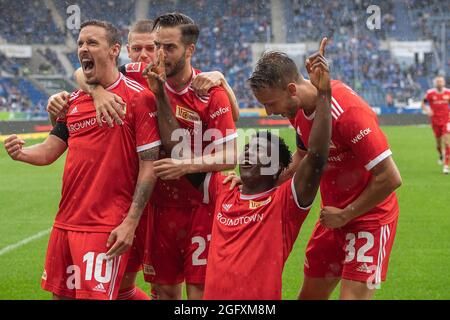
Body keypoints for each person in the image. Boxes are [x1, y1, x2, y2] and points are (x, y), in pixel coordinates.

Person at [46, 17, 239, 300]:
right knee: (160, 290)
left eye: (167, 47)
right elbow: (84, 71)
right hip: (157, 206)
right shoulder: (139, 74)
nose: (158, 54)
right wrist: (97, 92)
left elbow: (231, 153)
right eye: (156, 45)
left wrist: (186, 164)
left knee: (199, 293)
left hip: (202, 203)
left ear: (189, 50)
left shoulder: (207, 89)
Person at [142, 36, 331, 299]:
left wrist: (323, 94)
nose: (249, 155)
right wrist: (160, 93)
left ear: (278, 170)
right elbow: (181, 153)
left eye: (260, 152)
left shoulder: (285, 202)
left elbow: (317, 156)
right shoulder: (223, 190)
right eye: (248, 149)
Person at [4, 20, 161, 300]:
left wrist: (130, 222)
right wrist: (22, 153)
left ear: (114, 50)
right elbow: (51, 148)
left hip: (105, 224)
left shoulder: (139, 99)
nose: (83, 48)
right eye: (80, 43)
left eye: (92, 43)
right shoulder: (74, 100)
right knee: (61, 296)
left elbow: (149, 168)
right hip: (65, 222)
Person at [247, 38, 402, 300]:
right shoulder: (296, 111)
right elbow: (303, 157)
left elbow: (390, 177)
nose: (268, 111)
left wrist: (346, 214)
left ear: (292, 88)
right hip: (331, 218)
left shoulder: (348, 112)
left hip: (369, 219)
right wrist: (259, 187)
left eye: (271, 103)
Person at [421, 75, 450, 174]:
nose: (439, 83)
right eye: (438, 82)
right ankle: (441, 155)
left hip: (446, 121)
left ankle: (446, 165)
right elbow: (423, 103)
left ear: (444, 83)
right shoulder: (430, 93)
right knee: (438, 142)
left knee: (447, 142)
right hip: (435, 121)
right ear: (435, 83)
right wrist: (427, 110)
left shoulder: (448, 93)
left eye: (441, 81)